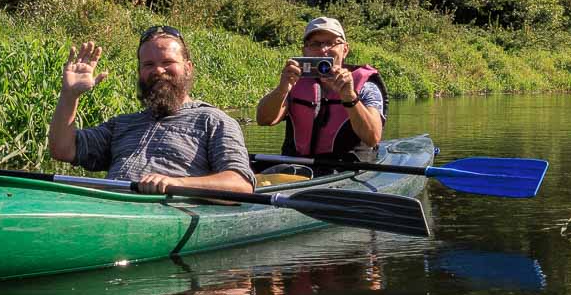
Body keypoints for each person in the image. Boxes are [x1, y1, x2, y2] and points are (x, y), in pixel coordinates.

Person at [48, 25, 255, 195]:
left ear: (188, 68)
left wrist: (178, 183)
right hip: (107, 206)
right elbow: (63, 149)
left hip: (165, 214)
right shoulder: (121, 124)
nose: (157, 70)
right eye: (148, 64)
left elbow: (240, 185)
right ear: (140, 71)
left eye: (168, 62)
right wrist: (69, 95)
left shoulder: (213, 121)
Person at [255, 16, 385, 161]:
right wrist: (282, 89)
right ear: (304, 51)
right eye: (315, 44)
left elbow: (373, 138)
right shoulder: (295, 81)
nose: (323, 50)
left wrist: (350, 97)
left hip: (347, 170)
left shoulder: (367, 86)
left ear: (345, 49)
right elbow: (264, 119)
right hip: (299, 168)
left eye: (331, 43)